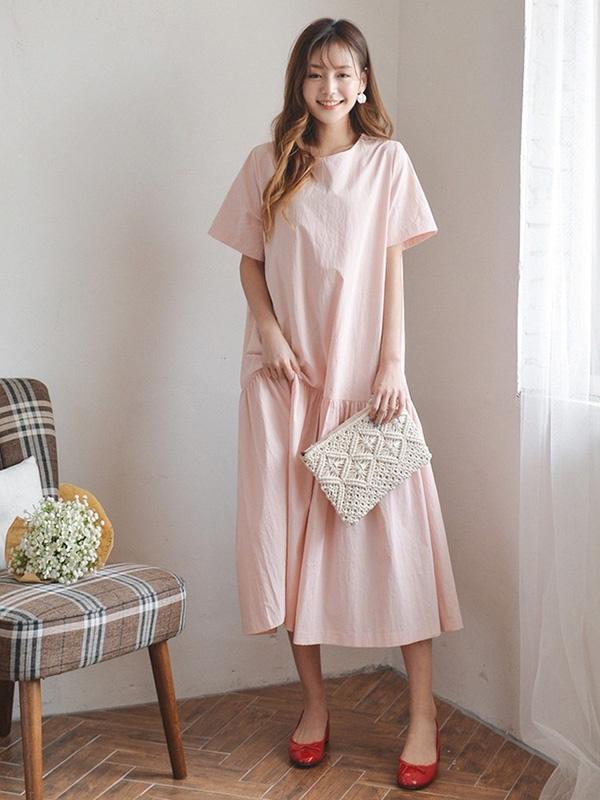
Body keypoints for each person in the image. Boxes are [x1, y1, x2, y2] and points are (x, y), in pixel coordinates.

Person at [207, 17, 463, 789]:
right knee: (292, 551)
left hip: (364, 383)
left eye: (344, 72)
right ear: (300, 81)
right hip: (288, 383)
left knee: (400, 547)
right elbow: (250, 263)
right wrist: (269, 333)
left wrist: (394, 365)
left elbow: (392, 266)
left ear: (363, 80)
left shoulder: (387, 162)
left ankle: (422, 716)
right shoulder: (268, 162)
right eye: (316, 73)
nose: (329, 86)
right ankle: (314, 706)